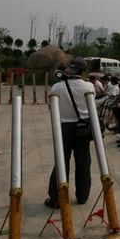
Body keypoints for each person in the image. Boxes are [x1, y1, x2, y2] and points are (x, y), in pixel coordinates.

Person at [45, 57, 95, 209]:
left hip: (64, 128)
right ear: (84, 71)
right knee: (83, 163)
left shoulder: (57, 88)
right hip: (82, 129)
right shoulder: (89, 86)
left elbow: (51, 108)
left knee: (61, 162)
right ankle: (82, 196)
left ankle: (56, 198)